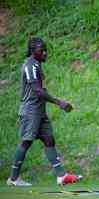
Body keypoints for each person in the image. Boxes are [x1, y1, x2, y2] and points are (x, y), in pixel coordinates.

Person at [7, 37, 82, 186]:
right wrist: (59, 102)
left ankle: (61, 176)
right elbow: (37, 91)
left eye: (46, 50)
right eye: (42, 50)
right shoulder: (30, 66)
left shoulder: (37, 65)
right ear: (32, 50)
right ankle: (13, 179)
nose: (45, 53)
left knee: (49, 139)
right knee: (26, 141)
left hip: (39, 111)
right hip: (31, 111)